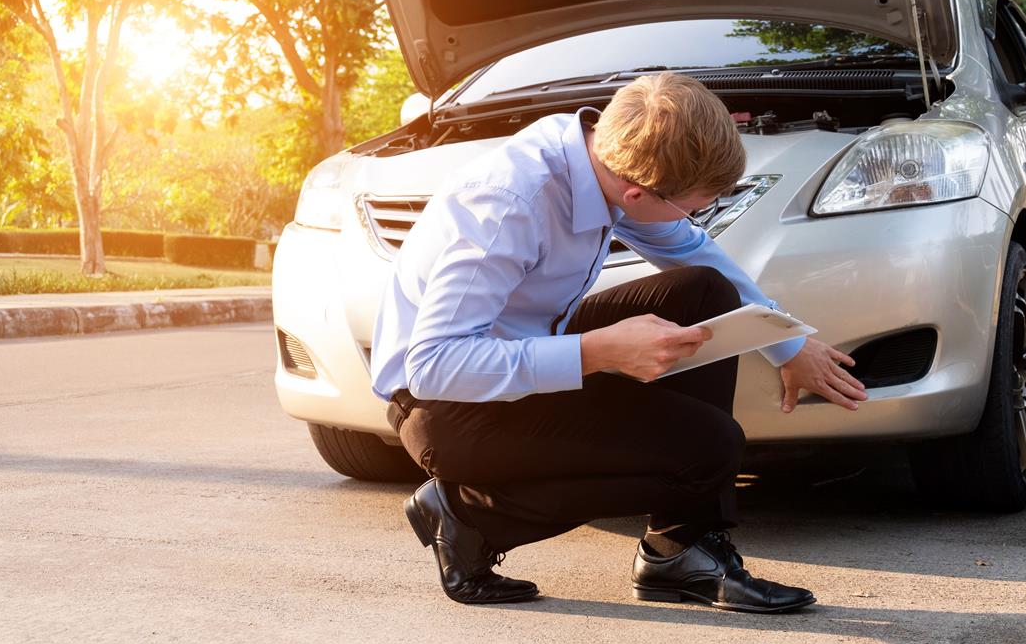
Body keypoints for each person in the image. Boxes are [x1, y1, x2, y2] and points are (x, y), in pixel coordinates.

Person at [369, 72, 868, 611]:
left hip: (525, 345)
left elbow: (694, 252)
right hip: (450, 407)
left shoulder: (595, 152)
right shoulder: (509, 207)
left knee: (705, 291)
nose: (693, 219)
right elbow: (435, 366)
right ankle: (468, 515)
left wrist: (787, 343)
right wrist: (599, 351)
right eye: (691, 207)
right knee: (711, 448)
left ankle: (679, 552)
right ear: (635, 193)